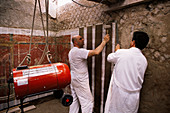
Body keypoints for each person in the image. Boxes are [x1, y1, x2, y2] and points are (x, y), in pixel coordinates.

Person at [104, 31, 149, 113]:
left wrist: (117, 51)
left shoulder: (122, 53)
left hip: (120, 95)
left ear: (133, 42)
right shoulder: (144, 60)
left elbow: (109, 58)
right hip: (134, 97)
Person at [68, 34, 110, 113]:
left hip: (74, 79)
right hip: (80, 80)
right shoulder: (79, 51)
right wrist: (104, 41)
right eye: (80, 39)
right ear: (75, 43)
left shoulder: (71, 52)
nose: (83, 39)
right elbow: (96, 52)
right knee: (88, 102)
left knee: (74, 100)